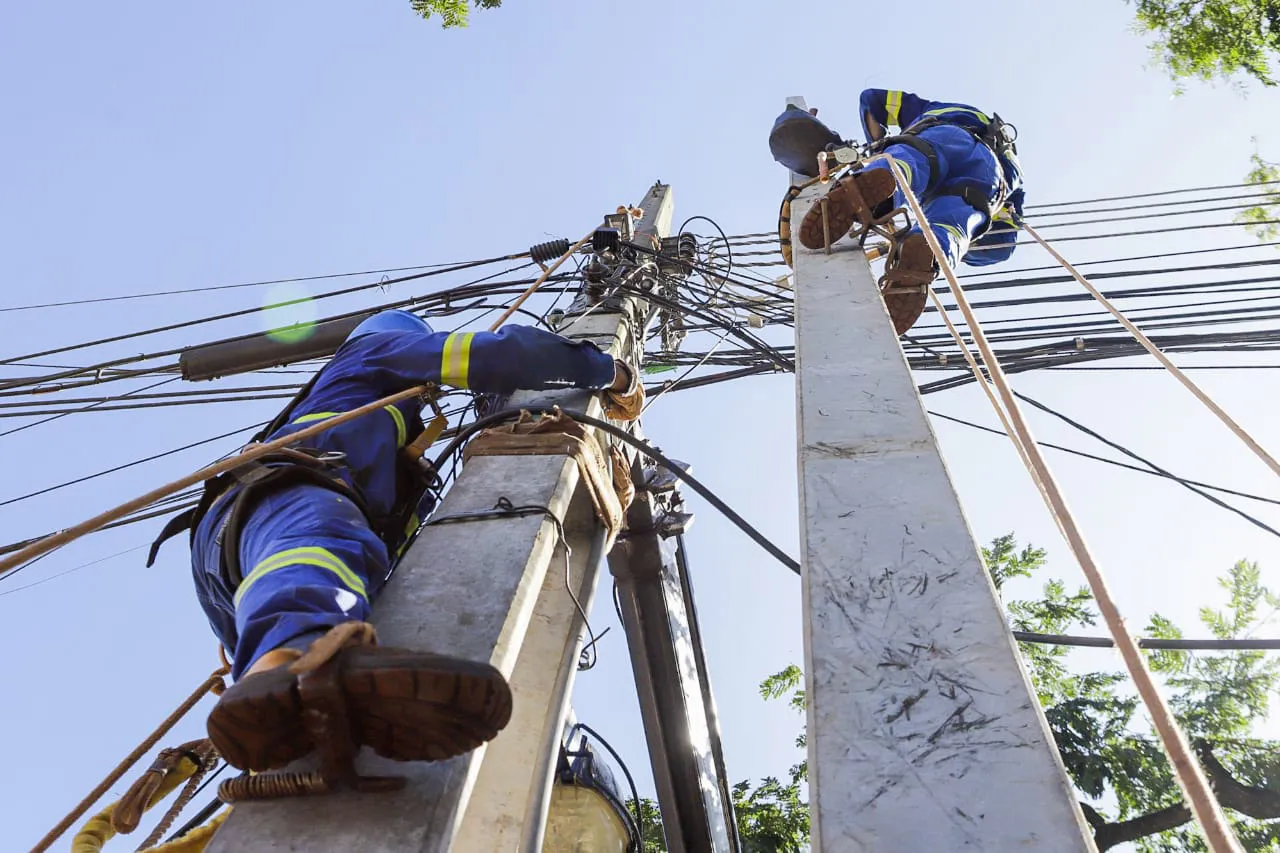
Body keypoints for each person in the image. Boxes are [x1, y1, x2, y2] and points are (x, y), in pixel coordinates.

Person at [148, 309, 642, 774]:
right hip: (287, 505)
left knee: (339, 572)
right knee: (330, 542)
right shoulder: (377, 351)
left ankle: (286, 690)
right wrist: (608, 372)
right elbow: (501, 356)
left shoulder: (387, 444)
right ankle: (299, 659)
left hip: (239, 563)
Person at [769, 89, 1026, 334]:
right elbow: (1001, 247)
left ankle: (872, 187)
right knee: (956, 224)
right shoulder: (1014, 172)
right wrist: (968, 248)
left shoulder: (940, 109)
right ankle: (933, 248)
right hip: (990, 177)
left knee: (905, 163)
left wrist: (876, 148)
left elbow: (872, 100)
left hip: (943, 134)